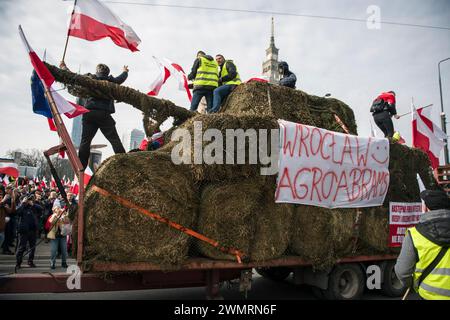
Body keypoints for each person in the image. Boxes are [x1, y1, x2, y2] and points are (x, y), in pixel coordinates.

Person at [59, 61, 128, 170]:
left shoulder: (89, 78)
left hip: (89, 113)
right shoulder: (110, 81)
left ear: (97, 71)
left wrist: (63, 67)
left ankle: (81, 166)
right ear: (107, 73)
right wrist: (125, 71)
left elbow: (74, 77)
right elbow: (120, 79)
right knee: (114, 140)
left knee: (85, 141)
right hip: (104, 114)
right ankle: (124, 163)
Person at [394, 189, 450, 300]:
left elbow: (402, 272)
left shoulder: (415, 234)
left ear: (425, 208)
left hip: (428, 295)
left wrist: (411, 284)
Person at [15, 194, 43, 268]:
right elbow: (17, 212)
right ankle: (18, 263)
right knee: (21, 247)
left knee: (32, 247)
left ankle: (30, 262)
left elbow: (41, 209)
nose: (29, 201)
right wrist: (23, 203)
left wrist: (33, 204)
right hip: (24, 231)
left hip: (33, 230)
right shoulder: (21, 207)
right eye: (27, 199)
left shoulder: (33, 207)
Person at [47, 205, 69, 269]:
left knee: (64, 250)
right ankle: (52, 263)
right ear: (54, 210)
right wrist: (55, 215)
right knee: (53, 250)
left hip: (63, 236)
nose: (59, 210)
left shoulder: (63, 216)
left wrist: (64, 215)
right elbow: (50, 222)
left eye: (59, 208)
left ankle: (64, 262)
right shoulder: (52, 216)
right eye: (57, 209)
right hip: (54, 236)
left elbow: (67, 221)